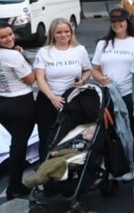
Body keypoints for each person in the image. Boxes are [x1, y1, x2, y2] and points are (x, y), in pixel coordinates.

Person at [0, 23, 38, 199]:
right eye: (3, 37)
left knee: (17, 143)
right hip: (20, 104)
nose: (9, 39)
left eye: (10, 34)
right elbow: (31, 79)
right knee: (19, 146)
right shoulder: (13, 56)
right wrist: (23, 57)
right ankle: (14, 185)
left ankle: (14, 182)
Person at [33, 18, 91, 160]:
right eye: (59, 32)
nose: (63, 35)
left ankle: (70, 166)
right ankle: (46, 166)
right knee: (46, 137)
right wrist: (52, 97)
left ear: (71, 32)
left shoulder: (80, 50)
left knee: (70, 136)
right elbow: (40, 78)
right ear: (52, 34)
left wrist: (83, 80)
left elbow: (87, 70)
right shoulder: (44, 52)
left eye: (66, 31)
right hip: (48, 100)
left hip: (73, 99)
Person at [91, 8, 134, 122]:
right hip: (109, 95)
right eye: (113, 21)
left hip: (130, 95)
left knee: (133, 128)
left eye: (120, 20)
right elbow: (95, 70)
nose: (117, 24)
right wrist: (100, 78)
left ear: (128, 22)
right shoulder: (102, 43)